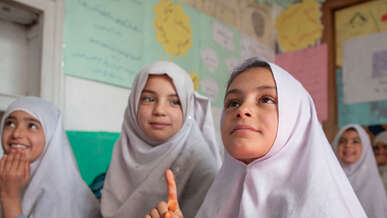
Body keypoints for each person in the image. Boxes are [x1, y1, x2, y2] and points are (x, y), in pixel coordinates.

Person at [145, 57, 367, 218]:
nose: (243, 110)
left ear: (296, 118)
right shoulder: (223, 193)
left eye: (266, 99)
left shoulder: (326, 208)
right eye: (233, 102)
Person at [101, 61, 222, 218]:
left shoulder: (202, 164)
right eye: (148, 99)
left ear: (187, 108)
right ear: (134, 104)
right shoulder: (126, 148)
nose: (159, 110)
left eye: (174, 102)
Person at [0, 96, 100, 218]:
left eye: (32, 126)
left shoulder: (65, 195)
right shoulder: (6, 176)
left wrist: (10, 198)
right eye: (10, 123)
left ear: (52, 136)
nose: (16, 133)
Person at [332, 124, 387, 217]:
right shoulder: (329, 178)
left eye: (355, 141)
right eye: (342, 141)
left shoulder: (372, 184)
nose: (348, 145)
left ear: (365, 147)